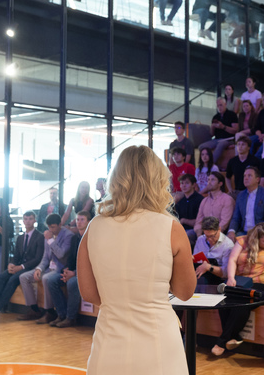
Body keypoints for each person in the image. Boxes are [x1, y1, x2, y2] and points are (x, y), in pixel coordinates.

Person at [77, 145, 196, 374]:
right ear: (159, 180)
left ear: (117, 179)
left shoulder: (94, 227)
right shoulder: (171, 228)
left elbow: (89, 294)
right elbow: (184, 292)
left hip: (109, 341)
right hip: (159, 342)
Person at [212, 222, 264, 356]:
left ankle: (222, 341)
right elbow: (232, 260)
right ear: (257, 239)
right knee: (227, 301)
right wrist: (231, 278)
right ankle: (234, 337)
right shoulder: (243, 241)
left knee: (244, 299)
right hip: (245, 283)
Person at [0, 211, 44, 321]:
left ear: (35, 220)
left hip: (30, 267)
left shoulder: (40, 236)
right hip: (18, 266)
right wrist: (12, 264)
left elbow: (38, 258)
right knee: (1, 277)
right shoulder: (20, 238)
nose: (28, 221)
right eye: (25, 219)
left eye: (30, 219)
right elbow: (16, 256)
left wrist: (21, 267)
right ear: (23, 221)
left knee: (12, 280)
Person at [18, 213, 74, 323]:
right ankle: (34, 309)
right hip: (48, 268)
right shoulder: (48, 234)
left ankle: (49, 312)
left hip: (61, 268)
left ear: (59, 225)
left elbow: (61, 254)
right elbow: (45, 257)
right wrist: (39, 268)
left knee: (46, 278)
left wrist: (50, 240)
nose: (50, 229)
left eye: (53, 227)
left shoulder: (68, 235)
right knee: (24, 277)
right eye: (49, 227)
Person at [45, 211, 90, 328]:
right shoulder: (75, 238)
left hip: (87, 274)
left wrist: (73, 273)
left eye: (82, 219)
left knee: (72, 283)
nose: (79, 222)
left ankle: (71, 318)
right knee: (52, 280)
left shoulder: (91, 238)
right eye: (77, 219)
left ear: (89, 222)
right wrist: (67, 271)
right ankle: (61, 314)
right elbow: (70, 258)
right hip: (73, 271)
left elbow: (91, 263)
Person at [227, 166, 264, 241]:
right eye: (244, 176)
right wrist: (231, 231)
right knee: (227, 243)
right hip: (243, 233)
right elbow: (236, 218)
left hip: (262, 233)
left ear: (257, 179)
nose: (246, 178)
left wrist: (256, 232)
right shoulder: (241, 195)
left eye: (249, 176)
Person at [193, 216, 234, 285]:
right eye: (206, 236)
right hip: (200, 276)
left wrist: (209, 267)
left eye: (212, 236)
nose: (209, 239)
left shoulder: (228, 245)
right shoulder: (201, 239)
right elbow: (195, 261)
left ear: (219, 229)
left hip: (218, 280)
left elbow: (227, 273)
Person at [194, 172, 235, 236]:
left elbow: (224, 223)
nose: (209, 182)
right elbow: (198, 222)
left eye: (213, 180)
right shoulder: (204, 201)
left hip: (220, 233)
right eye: (208, 180)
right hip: (204, 232)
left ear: (220, 184)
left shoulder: (227, 199)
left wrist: (211, 235)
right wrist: (199, 236)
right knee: (186, 235)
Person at [199, 97, 239, 163]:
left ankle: (210, 164)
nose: (219, 107)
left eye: (221, 105)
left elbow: (235, 130)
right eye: (218, 106)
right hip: (217, 139)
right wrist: (212, 127)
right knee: (202, 146)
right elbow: (212, 134)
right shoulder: (215, 117)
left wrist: (223, 127)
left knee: (221, 144)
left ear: (225, 104)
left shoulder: (232, 115)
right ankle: (204, 163)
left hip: (228, 139)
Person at [174, 174, 203, 244]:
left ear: (193, 185)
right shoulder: (180, 202)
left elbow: (200, 222)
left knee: (185, 236)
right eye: (182, 183)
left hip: (195, 230)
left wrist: (184, 221)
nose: (184, 185)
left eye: (187, 183)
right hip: (181, 230)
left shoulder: (200, 200)